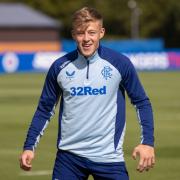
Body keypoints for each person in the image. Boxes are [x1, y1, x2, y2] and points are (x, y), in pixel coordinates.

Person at [19, 6, 155, 180]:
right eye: (80, 33)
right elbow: (44, 109)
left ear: (101, 33)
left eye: (92, 32)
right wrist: (29, 146)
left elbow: (141, 102)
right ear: (73, 34)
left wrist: (147, 142)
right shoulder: (59, 67)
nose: (86, 39)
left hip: (109, 159)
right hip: (69, 159)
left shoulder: (120, 63)